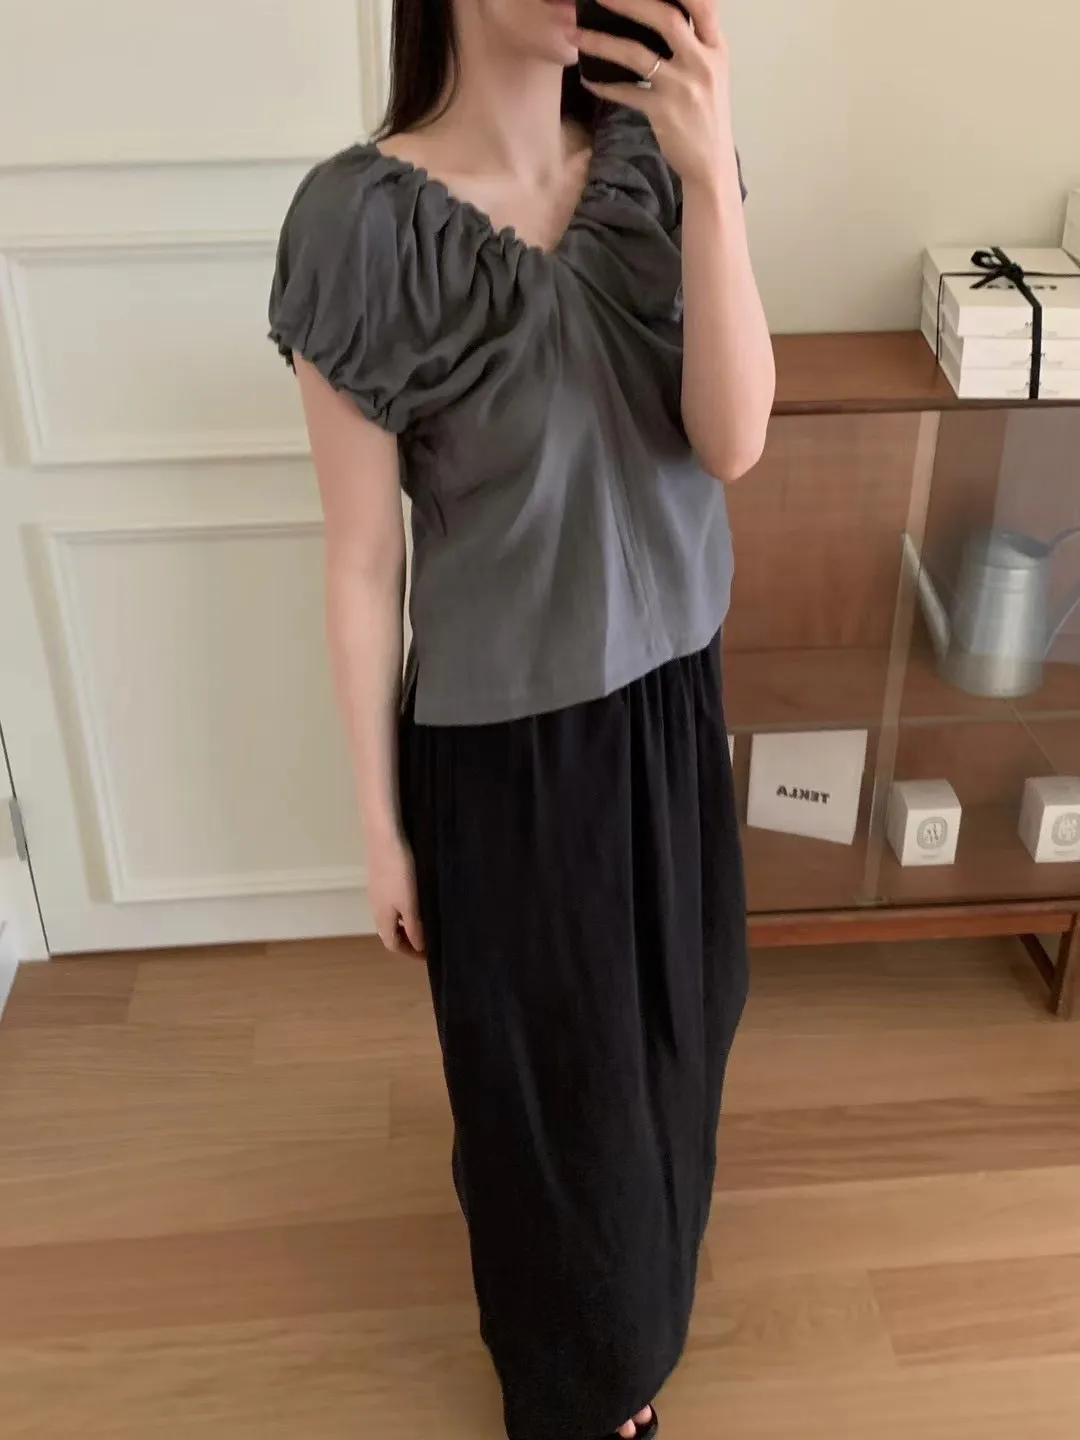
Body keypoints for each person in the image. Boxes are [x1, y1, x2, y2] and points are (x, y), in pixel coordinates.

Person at [269, 0, 774, 1435]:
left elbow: (731, 439)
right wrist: (381, 831)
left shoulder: (659, 161)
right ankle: (583, 1393)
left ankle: (630, 1320)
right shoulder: (358, 229)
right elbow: (362, 562)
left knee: (682, 1039)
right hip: (510, 754)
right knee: (557, 1105)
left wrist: (711, 171)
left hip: (672, 709)